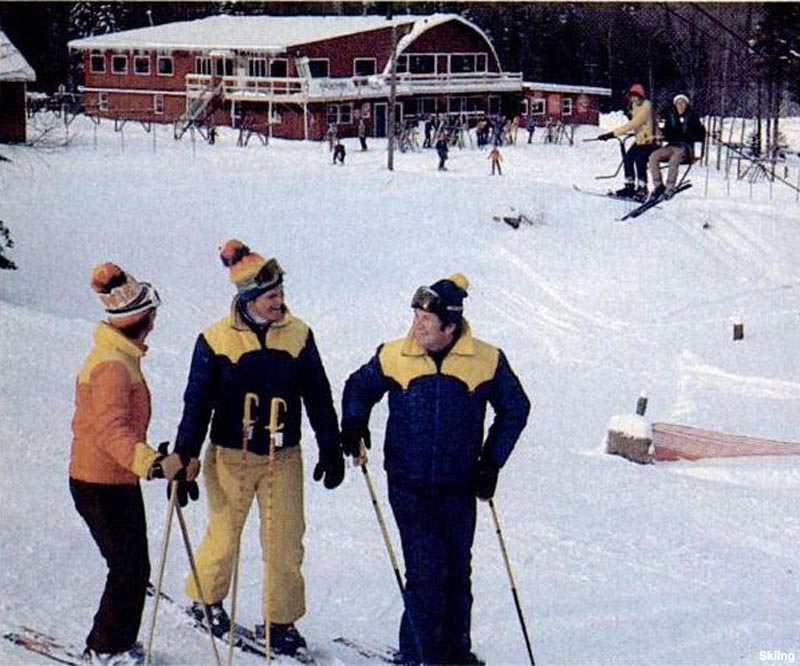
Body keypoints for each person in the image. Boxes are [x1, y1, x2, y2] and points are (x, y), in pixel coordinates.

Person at [341, 274, 530, 666]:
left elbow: (515, 408)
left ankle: (454, 653)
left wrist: (491, 462)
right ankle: (417, 656)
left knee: (458, 573)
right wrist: (354, 422)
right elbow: (358, 388)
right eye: (414, 318)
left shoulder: (487, 359)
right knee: (427, 572)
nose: (416, 327)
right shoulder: (394, 355)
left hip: (459, 485)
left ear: (450, 325)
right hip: (408, 482)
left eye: (425, 321)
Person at [173, 239, 343, 658]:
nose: (280, 303)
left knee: (286, 540)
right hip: (231, 454)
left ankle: (280, 621)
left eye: (282, 294)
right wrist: (184, 458)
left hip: (284, 456)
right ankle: (206, 600)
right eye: (271, 297)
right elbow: (197, 403)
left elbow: (317, 393)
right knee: (226, 533)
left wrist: (331, 446)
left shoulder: (299, 335)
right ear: (247, 299)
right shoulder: (215, 339)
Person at [71, 262, 194, 665]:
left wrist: (152, 461)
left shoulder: (119, 356)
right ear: (140, 319)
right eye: (152, 315)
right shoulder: (112, 366)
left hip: (115, 479)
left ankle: (116, 642)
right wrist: (155, 464)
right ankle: (105, 649)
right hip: (99, 481)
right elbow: (111, 433)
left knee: (132, 566)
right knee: (127, 568)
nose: (155, 323)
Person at [597, 83, 654, 201]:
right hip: (640, 140)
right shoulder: (634, 106)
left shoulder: (647, 105)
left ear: (641, 96)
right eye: (631, 96)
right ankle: (629, 186)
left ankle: (642, 188)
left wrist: (612, 134)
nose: (633, 98)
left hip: (650, 141)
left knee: (640, 160)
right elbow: (634, 124)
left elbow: (634, 123)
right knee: (628, 158)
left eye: (636, 96)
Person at [648, 93, 706, 200]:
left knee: (674, 160)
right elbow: (663, 128)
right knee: (653, 157)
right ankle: (658, 185)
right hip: (671, 145)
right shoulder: (669, 115)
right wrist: (660, 133)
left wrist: (699, 134)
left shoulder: (692, 116)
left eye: (683, 103)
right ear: (675, 104)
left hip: (684, 147)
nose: (680, 105)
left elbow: (698, 133)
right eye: (678, 103)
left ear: (686, 104)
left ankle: (670, 187)